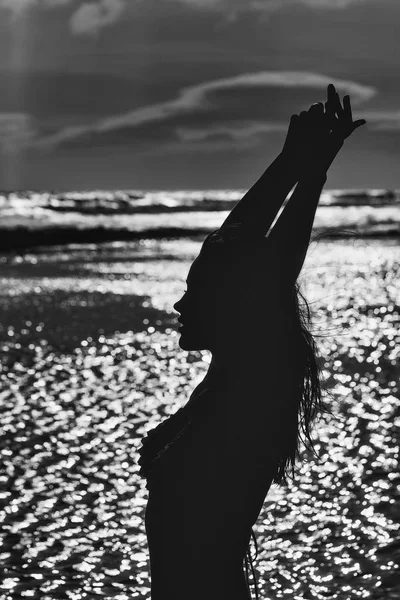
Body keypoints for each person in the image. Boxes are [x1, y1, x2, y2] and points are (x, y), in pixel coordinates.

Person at [137, 84, 366, 600]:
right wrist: (289, 164)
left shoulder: (250, 389)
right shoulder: (227, 381)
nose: (179, 306)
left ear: (237, 308)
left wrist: (310, 175)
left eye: (193, 295)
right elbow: (229, 245)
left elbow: (264, 269)